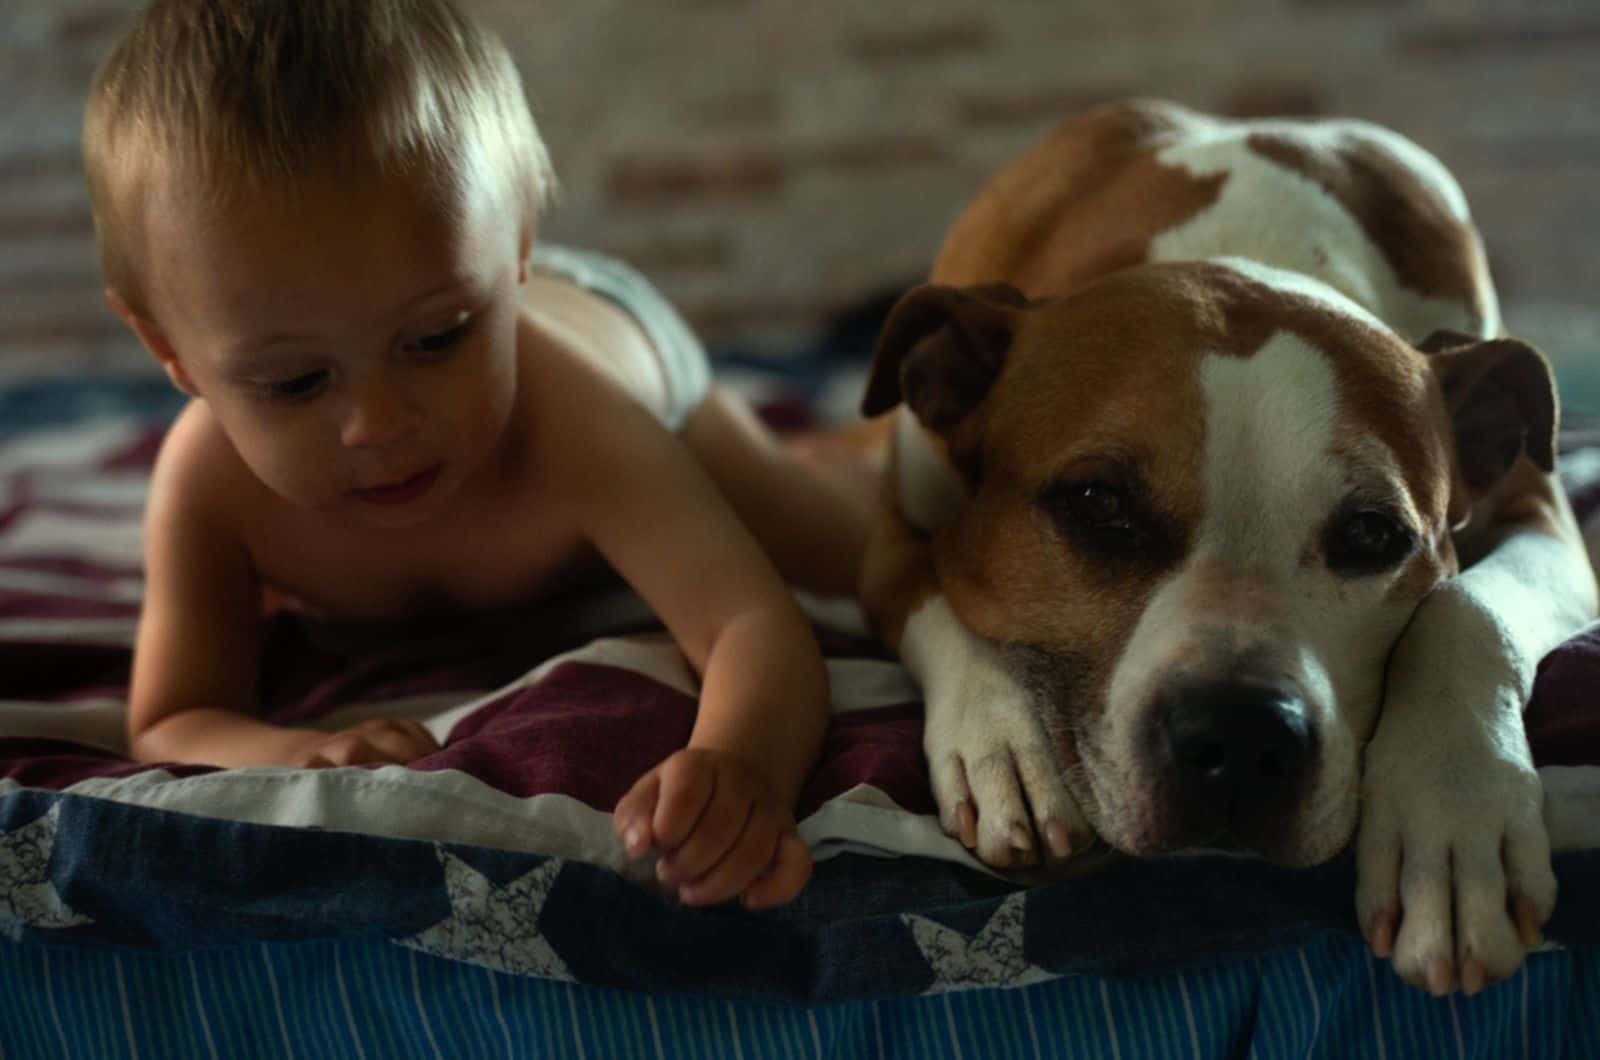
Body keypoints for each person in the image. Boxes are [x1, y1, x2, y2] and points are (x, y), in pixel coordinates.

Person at [82, 0, 874, 909]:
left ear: (520, 252)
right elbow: (174, 718)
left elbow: (752, 628)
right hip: (469, 277)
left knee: (853, 551)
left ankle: (837, 457)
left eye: (440, 338)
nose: (376, 423)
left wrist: (739, 767)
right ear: (169, 352)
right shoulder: (210, 486)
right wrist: (293, 753)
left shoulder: (570, 418)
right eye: (296, 382)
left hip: (627, 355)